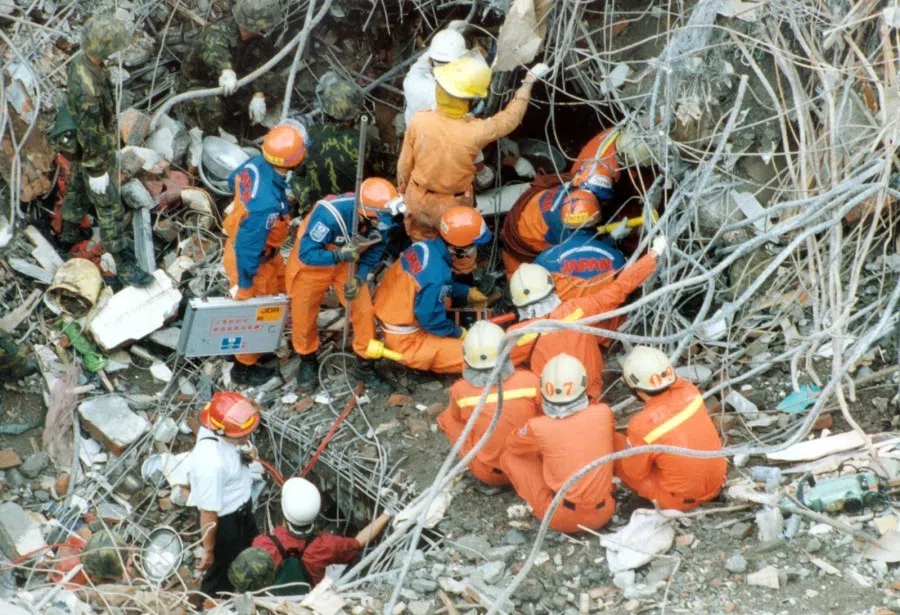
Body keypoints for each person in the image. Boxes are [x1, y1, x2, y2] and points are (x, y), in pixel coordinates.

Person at [397, 53, 549, 244]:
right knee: (458, 245)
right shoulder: (475, 131)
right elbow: (510, 119)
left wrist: (402, 191)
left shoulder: (419, 120)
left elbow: (404, 165)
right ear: (467, 101)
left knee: (421, 243)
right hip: (453, 205)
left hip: (418, 199)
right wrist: (527, 83)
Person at [507, 237, 666, 401]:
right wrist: (653, 254)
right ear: (551, 287)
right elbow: (619, 288)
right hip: (591, 394)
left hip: (551, 401)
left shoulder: (517, 335)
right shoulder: (577, 310)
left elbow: (497, 370)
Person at [60, 15, 153, 288]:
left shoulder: (82, 62)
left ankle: (68, 232)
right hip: (95, 151)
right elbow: (91, 133)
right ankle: (125, 267)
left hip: (84, 145)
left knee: (77, 184)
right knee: (110, 208)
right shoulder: (88, 89)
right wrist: (98, 170)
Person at [285, 178, 399, 393]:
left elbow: (377, 246)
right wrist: (337, 255)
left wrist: (360, 275)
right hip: (315, 261)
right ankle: (307, 356)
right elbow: (306, 253)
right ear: (364, 212)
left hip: (347, 262)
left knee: (363, 309)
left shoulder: (383, 217)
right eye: (379, 221)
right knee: (303, 311)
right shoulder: (329, 216)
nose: (383, 224)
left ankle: (365, 363)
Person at [500, 354, 616, 533]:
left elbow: (513, 445)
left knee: (510, 457)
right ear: (583, 385)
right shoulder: (604, 412)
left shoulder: (538, 426)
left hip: (564, 518)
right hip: (606, 510)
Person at [223, 123, 304, 377]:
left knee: (280, 297)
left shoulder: (256, 163)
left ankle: (263, 343)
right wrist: (246, 285)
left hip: (268, 256)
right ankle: (245, 367)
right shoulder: (266, 205)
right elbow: (248, 247)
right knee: (256, 314)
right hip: (252, 263)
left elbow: (230, 180)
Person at [372, 207, 491, 374]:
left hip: (388, 308)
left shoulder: (425, 247)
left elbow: (427, 284)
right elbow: (430, 318)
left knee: (443, 302)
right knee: (475, 354)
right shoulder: (437, 276)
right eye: (473, 247)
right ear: (460, 250)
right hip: (404, 339)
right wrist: (457, 332)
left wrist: (465, 291)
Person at [228, 478, 391, 594]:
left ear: (285, 514)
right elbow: (358, 542)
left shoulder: (262, 543)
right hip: (305, 601)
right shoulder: (327, 545)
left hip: (271, 601)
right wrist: (387, 514)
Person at [614, 346, 726, 511]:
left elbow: (634, 473)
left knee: (615, 445)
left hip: (679, 501)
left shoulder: (642, 425)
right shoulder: (690, 391)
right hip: (717, 484)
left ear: (634, 388)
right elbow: (677, 382)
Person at [437, 321, 541, 488]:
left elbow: (458, 419)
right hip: (533, 469)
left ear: (466, 355)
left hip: (493, 475)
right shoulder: (531, 381)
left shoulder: (460, 391)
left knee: (447, 419)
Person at [189, 392, 261, 597]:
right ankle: (212, 603)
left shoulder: (216, 419)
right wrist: (208, 550)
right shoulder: (211, 463)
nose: (247, 438)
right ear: (221, 432)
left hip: (242, 511)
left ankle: (249, 587)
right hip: (225, 523)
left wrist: (246, 447)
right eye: (242, 436)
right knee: (222, 571)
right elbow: (209, 513)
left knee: (251, 550)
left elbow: (232, 410)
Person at [178, 0, 283, 133]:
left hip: (236, 83)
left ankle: (248, 120)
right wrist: (226, 71)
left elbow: (260, 67)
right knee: (212, 108)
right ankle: (207, 131)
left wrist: (259, 94)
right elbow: (215, 51)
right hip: (202, 84)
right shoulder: (218, 32)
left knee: (275, 85)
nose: (268, 29)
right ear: (253, 26)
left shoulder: (258, 41)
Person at [534, 190, 628, 301]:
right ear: (598, 217)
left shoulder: (544, 261)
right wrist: (611, 239)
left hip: (564, 317)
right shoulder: (616, 258)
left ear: (564, 219)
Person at [289, 79, 367, 214]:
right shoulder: (363, 140)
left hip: (316, 208)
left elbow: (299, 171)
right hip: (351, 208)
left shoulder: (310, 134)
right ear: (354, 114)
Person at [402, 23, 469, 127]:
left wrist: (448, 35)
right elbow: (464, 121)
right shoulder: (445, 98)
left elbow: (423, 61)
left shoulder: (412, 80)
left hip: (414, 134)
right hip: (436, 139)